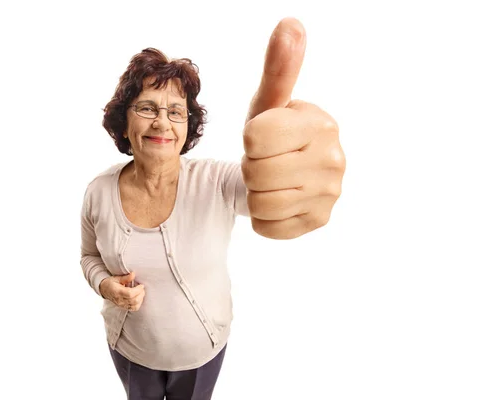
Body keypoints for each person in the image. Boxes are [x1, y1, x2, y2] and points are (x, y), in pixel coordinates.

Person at [80, 17, 345, 400]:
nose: (162, 122)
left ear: (188, 127)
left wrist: (288, 171)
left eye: (176, 111)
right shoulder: (98, 192)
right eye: (147, 108)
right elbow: (89, 256)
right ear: (124, 122)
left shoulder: (215, 181)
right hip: (130, 352)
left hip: (204, 351)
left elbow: (259, 186)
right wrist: (105, 286)